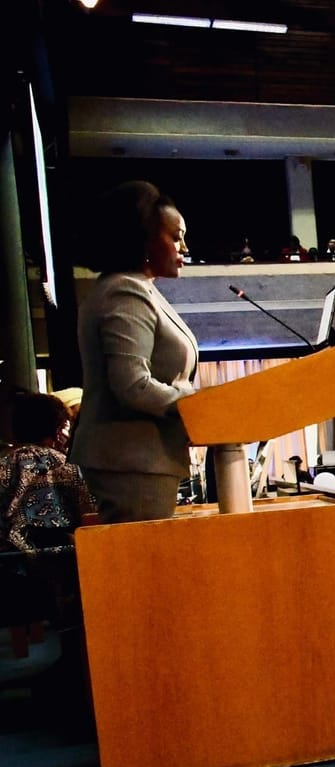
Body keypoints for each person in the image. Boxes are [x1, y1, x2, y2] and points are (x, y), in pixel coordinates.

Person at [70, 181, 198, 523]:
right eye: (175, 237)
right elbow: (133, 385)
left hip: (142, 458)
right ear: (142, 237)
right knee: (146, 570)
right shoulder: (125, 291)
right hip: (132, 459)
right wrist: (197, 405)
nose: (183, 246)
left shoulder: (139, 288)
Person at [1, 393, 95, 552]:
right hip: (65, 561)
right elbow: (91, 517)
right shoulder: (69, 466)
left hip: (9, 565)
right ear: (59, 430)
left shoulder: (4, 465)